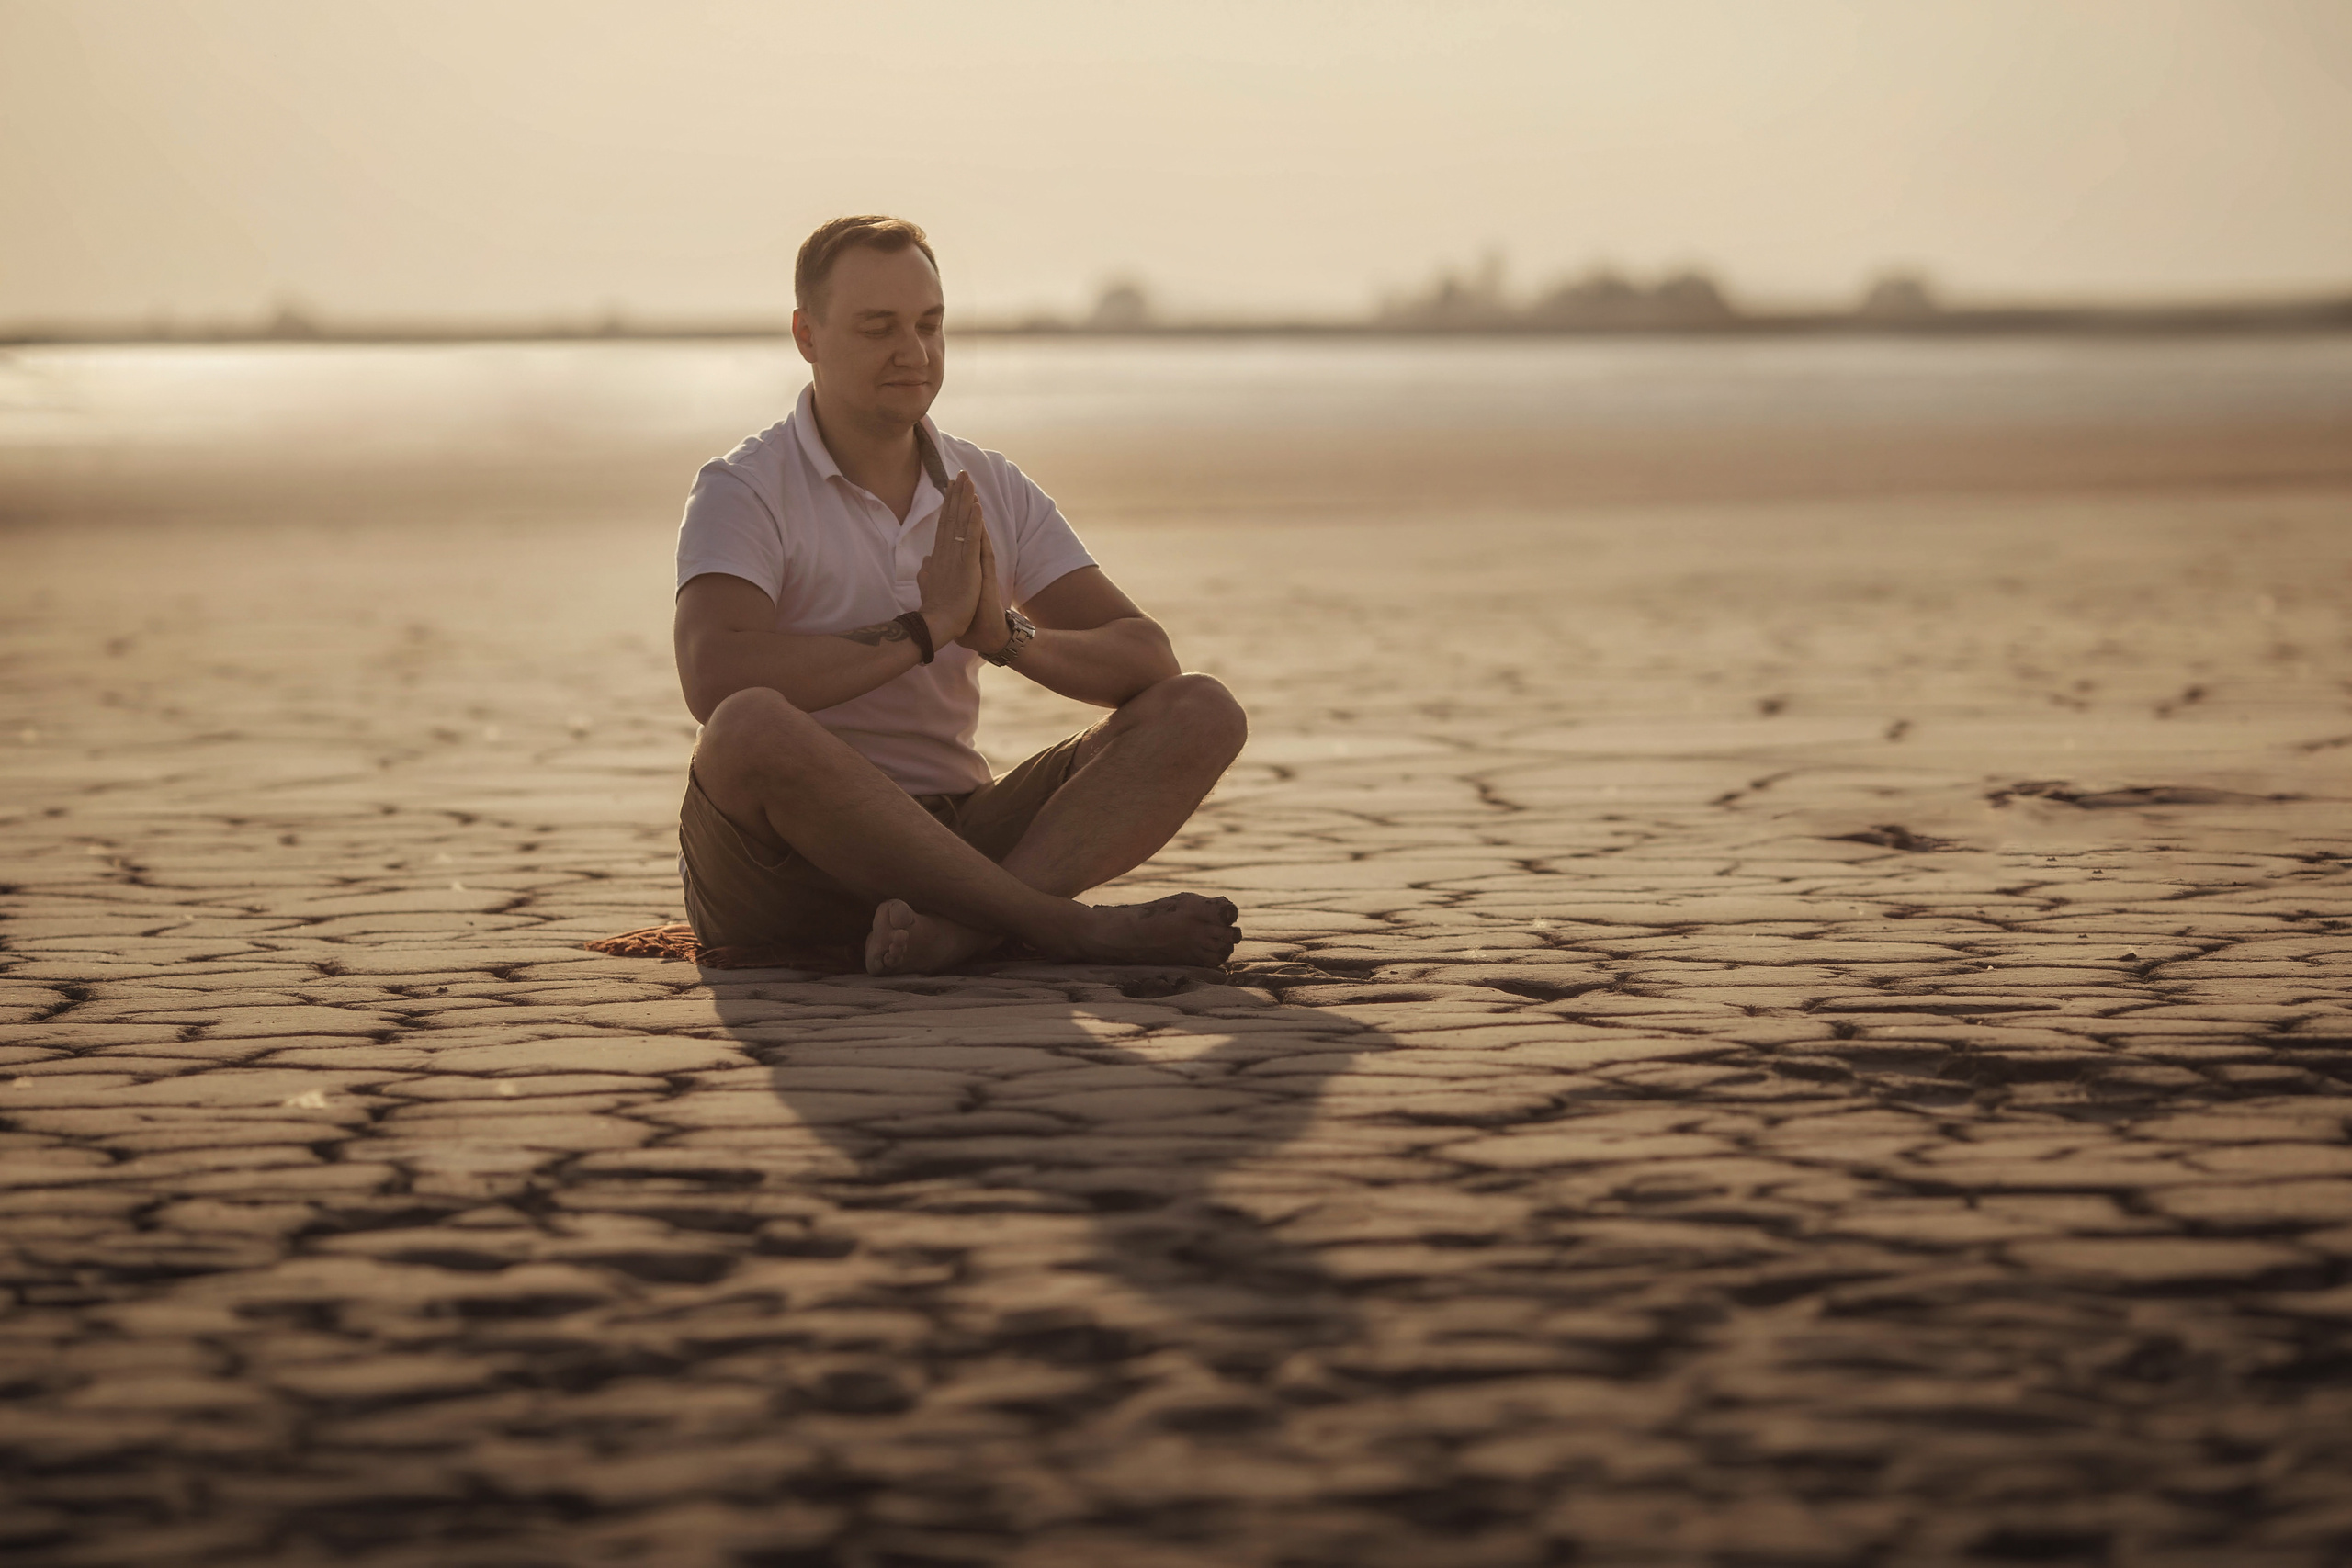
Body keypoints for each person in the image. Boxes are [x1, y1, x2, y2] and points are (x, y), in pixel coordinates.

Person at [671, 216, 1248, 976]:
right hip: (781, 867)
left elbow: (1148, 659)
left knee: (1203, 709)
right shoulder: (744, 487)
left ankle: (963, 932)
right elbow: (715, 677)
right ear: (806, 335)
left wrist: (1002, 636)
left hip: (960, 835)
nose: (913, 352)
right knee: (748, 725)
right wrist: (920, 630)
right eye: (878, 327)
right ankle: (1064, 928)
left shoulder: (990, 486)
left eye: (930, 324)